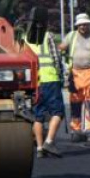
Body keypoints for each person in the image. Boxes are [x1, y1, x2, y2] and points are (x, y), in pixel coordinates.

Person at [22, 10, 64, 158]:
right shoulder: (48, 36)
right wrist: (61, 77)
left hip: (36, 82)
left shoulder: (25, 39)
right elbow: (56, 58)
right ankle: (49, 142)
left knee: (38, 116)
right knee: (58, 112)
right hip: (51, 79)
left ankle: (39, 148)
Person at [60, 13, 90, 143]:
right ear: (77, 25)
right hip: (75, 75)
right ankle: (76, 131)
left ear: (89, 24)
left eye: (85, 24)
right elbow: (61, 48)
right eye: (80, 24)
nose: (83, 26)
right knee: (75, 104)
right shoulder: (71, 36)